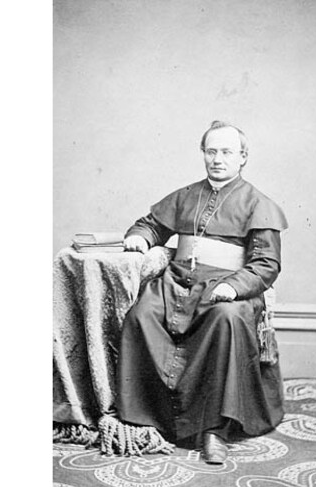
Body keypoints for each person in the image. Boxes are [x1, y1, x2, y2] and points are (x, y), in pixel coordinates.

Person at [117, 120, 288, 464]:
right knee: (142, 315)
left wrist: (233, 286)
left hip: (229, 287)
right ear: (203, 154)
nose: (217, 159)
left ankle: (214, 430)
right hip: (178, 282)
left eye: (226, 152)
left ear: (243, 157)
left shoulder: (258, 203)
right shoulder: (186, 195)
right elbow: (151, 224)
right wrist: (141, 237)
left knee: (226, 320)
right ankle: (147, 419)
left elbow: (266, 264)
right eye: (211, 151)